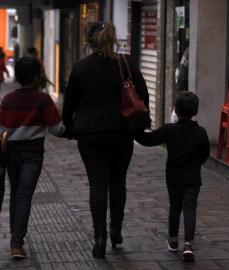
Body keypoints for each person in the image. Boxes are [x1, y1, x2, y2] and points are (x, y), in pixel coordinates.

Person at [62, 21, 149, 258]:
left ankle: (98, 235)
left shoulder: (81, 67)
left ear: (90, 42)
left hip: (90, 133)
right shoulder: (126, 63)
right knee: (118, 181)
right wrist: (141, 125)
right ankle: (116, 230)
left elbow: (69, 103)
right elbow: (143, 94)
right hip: (121, 132)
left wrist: (69, 127)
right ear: (111, 39)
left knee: (97, 183)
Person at [0, 57, 65, 259]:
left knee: (16, 193)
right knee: (24, 195)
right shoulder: (43, 100)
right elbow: (57, 130)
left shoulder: (7, 100)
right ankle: (16, 244)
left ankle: (16, 241)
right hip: (32, 154)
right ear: (36, 77)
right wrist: (76, 129)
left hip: (10, 154)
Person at [135, 92, 210, 263]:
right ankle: (189, 245)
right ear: (195, 111)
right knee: (190, 209)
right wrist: (195, 165)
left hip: (174, 178)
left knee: (175, 208)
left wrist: (134, 128)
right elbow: (204, 154)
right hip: (193, 178)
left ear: (175, 109)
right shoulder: (201, 132)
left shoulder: (170, 130)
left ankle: (173, 240)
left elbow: (148, 140)